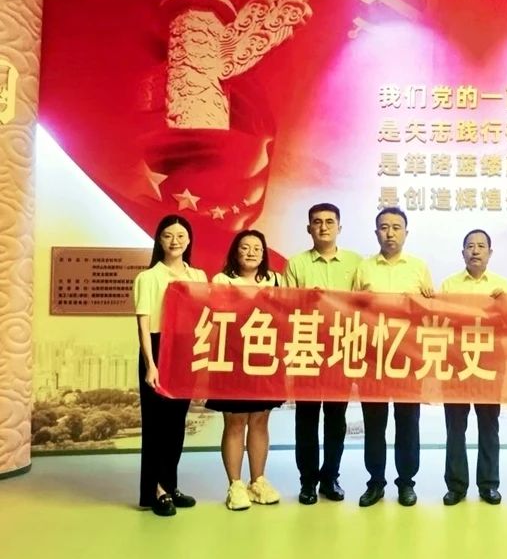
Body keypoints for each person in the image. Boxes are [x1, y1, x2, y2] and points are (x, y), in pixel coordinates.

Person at [353, 207, 434, 507]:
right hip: (372, 358)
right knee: (374, 423)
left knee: (408, 422)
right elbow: (351, 309)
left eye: (396, 227)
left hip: (407, 358)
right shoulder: (364, 268)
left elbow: (428, 313)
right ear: (376, 233)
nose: (390, 233)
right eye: (384, 227)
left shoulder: (418, 268)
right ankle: (375, 482)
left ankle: (406, 483)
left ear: (406, 233)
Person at [283, 203, 362, 505]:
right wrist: (306, 301)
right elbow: (284, 306)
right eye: (317, 222)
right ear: (309, 228)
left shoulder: (356, 263)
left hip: (341, 348)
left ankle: (330, 477)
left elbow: (365, 305)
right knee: (306, 417)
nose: (324, 227)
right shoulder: (296, 264)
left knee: (336, 417)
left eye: (330, 221)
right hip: (307, 348)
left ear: (340, 227)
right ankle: (307, 481)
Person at [133, 214, 208, 517]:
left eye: (180, 235)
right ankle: (155, 491)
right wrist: (150, 364)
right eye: (168, 235)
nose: (174, 241)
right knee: (156, 426)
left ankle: (170, 484)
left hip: (185, 349)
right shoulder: (148, 277)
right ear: (159, 240)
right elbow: (143, 324)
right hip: (158, 348)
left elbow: (205, 315)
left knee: (177, 425)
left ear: (189, 240)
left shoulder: (198, 276)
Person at [207, 230, 284, 511]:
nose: (251, 252)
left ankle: (258, 481)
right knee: (235, 421)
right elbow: (215, 317)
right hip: (231, 359)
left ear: (264, 254)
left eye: (257, 248)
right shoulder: (222, 280)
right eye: (245, 247)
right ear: (235, 252)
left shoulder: (276, 280)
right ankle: (236, 485)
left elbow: (285, 315)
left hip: (265, 358)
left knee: (261, 420)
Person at [438, 229, 507, 506]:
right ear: (463, 253)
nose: (475, 251)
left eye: (481, 246)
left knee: (489, 426)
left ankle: (489, 484)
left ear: (490, 253)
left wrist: (506, 304)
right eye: (470, 246)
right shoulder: (449, 285)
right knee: (455, 427)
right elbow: (439, 322)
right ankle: (456, 486)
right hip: (456, 364)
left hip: (490, 364)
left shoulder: (502, 286)